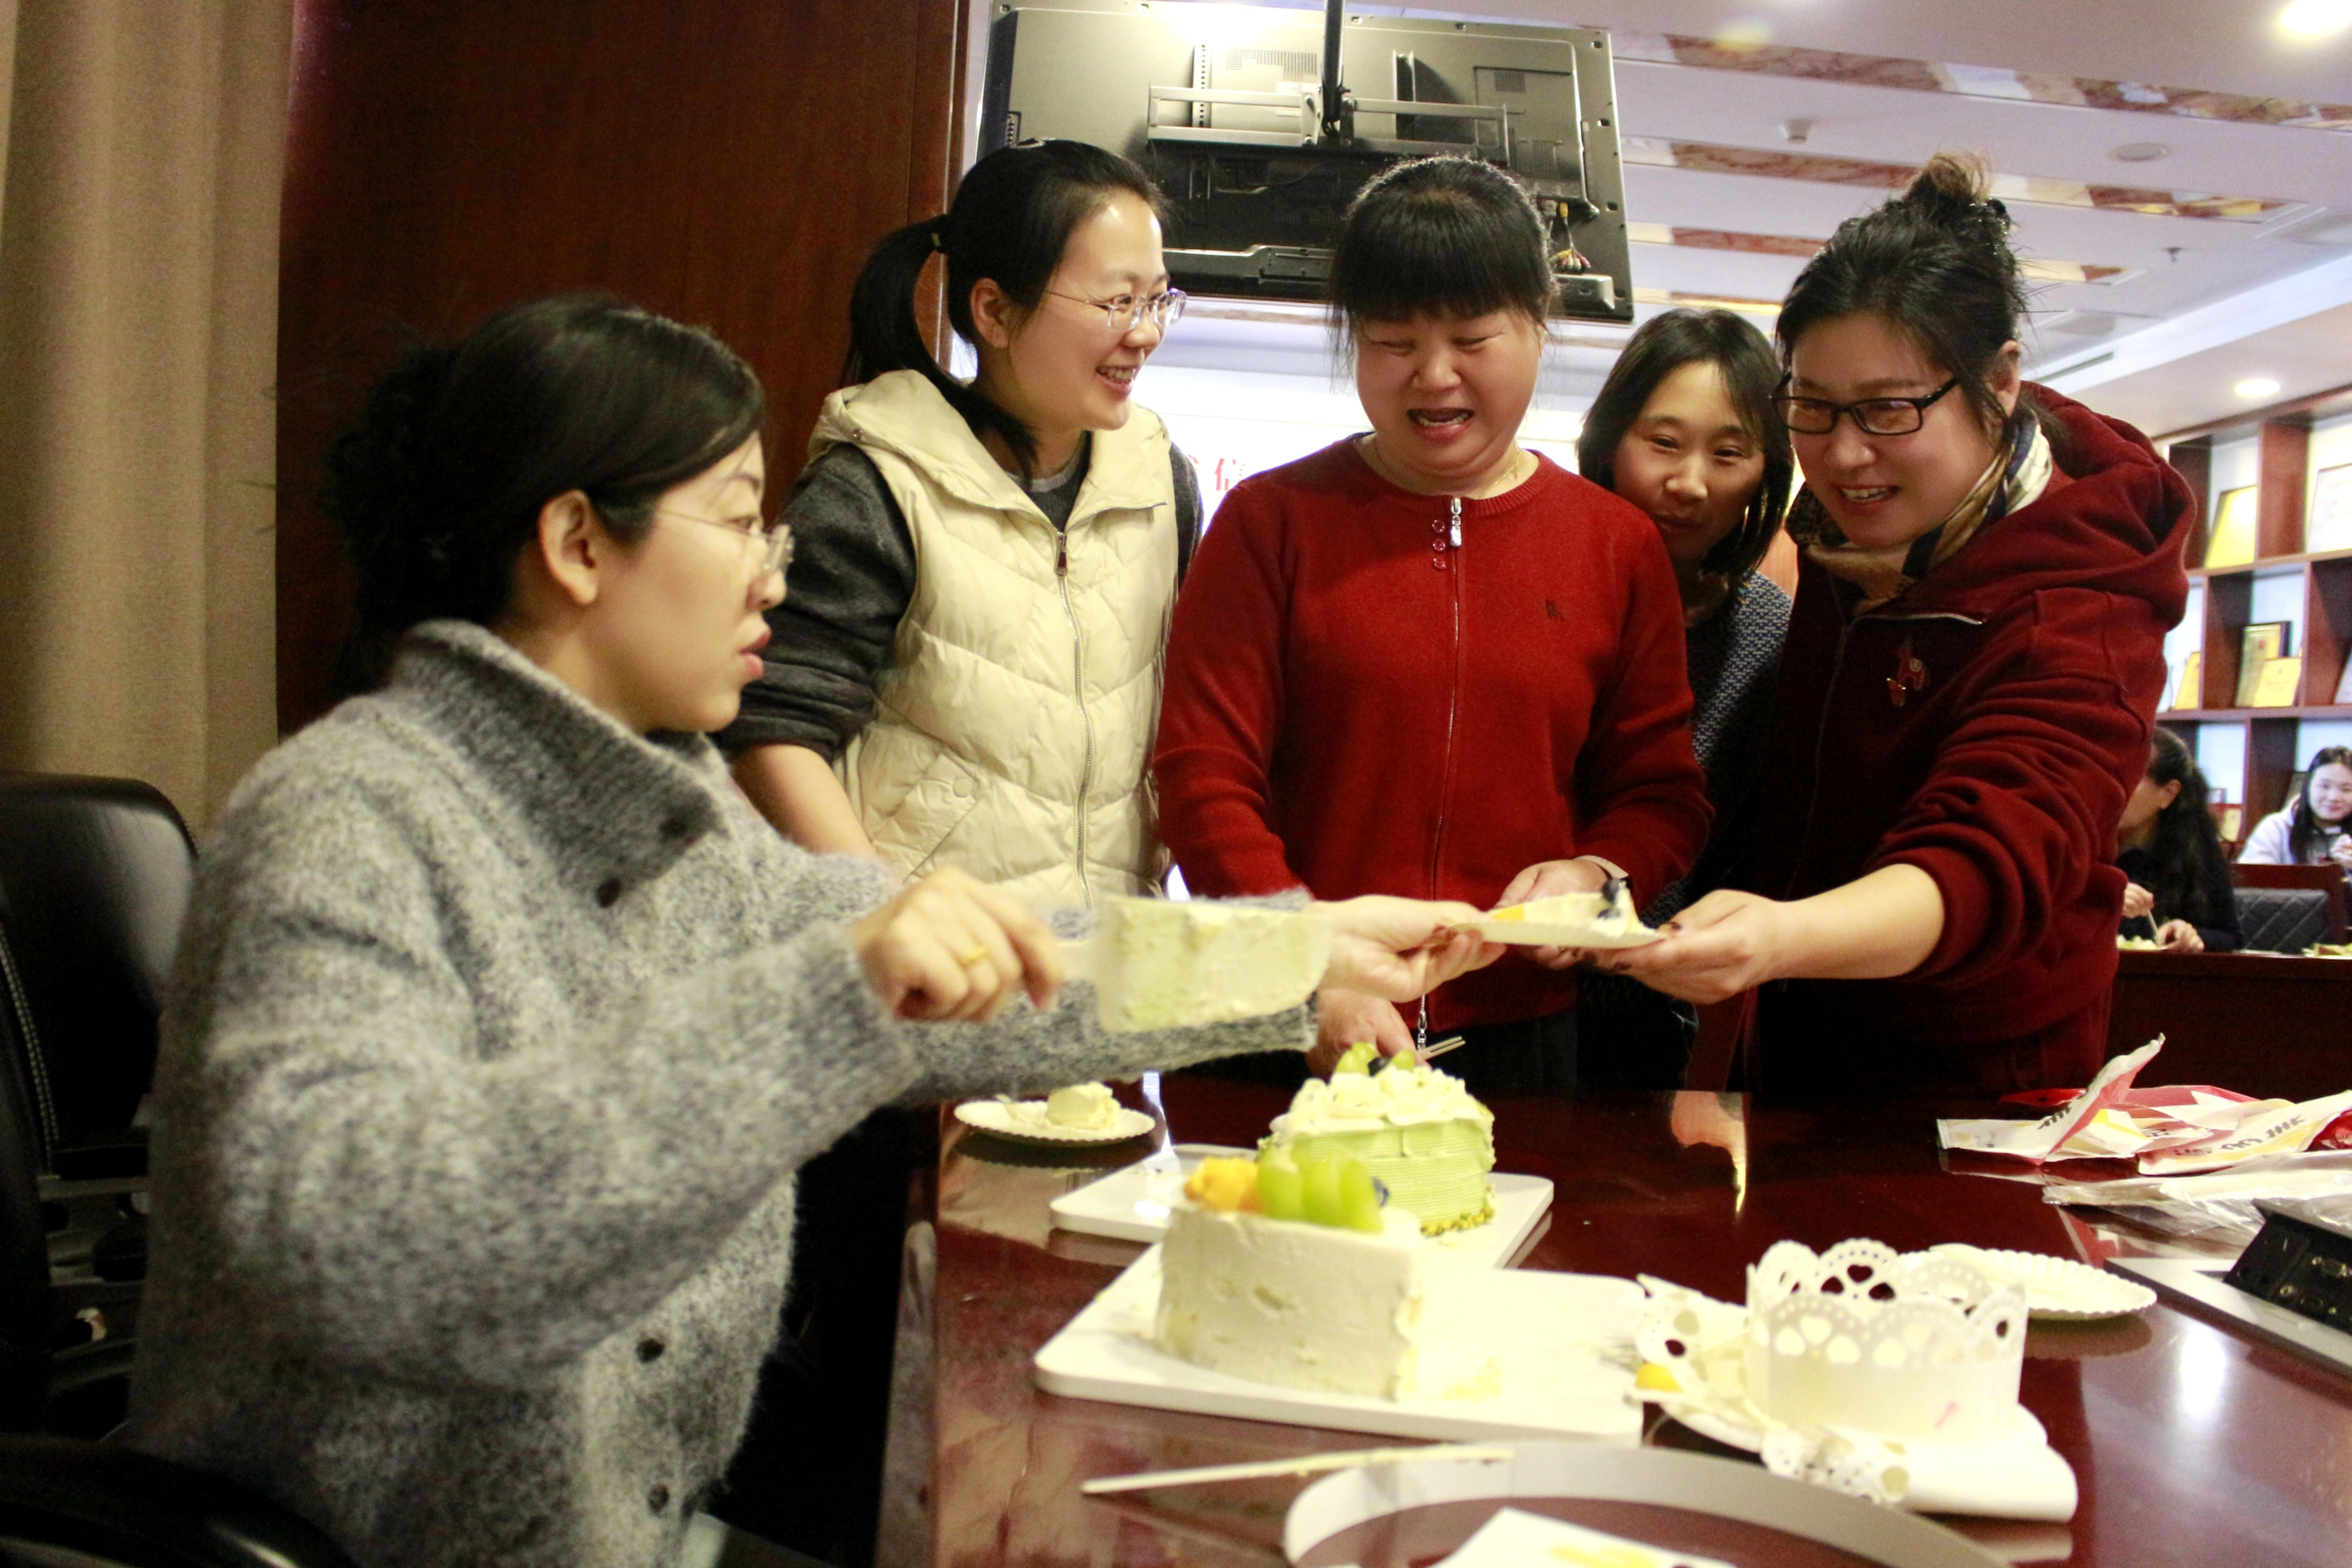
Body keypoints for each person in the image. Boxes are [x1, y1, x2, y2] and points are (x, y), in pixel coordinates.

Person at [119, 294, 1498, 1568]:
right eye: (739, 519)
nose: (773, 574)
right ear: (579, 544)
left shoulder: (677, 821)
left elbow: (971, 969)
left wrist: (1295, 952)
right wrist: (824, 998)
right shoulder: (345, 817)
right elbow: (357, 1248)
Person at [1612, 154, 2192, 1097]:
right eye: (1811, 406)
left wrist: (1783, 934)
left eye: (1887, 410)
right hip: (1799, 1035)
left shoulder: (2077, 600)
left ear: (1999, 380)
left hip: (1975, 1080)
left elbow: (1992, 855)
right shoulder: (1858, 539)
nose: (1843, 456)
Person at [1155, 156, 1712, 1094]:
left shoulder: (1615, 546)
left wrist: (1596, 869)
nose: (1434, 373)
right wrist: (1308, 963)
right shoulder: (1272, 522)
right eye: (1393, 340)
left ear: (1536, 323)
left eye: (1470, 337)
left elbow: (1659, 789)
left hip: (1518, 1035)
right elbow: (1202, 774)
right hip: (1278, 1020)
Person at [721, 140, 1200, 905]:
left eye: (1157, 300)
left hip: (1103, 957)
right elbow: (773, 723)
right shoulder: (880, 482)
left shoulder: (1159, 481)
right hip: (926, 957)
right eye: (1117, 302)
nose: (1144, 333)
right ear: (994, 312)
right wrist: (887, 917)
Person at [1569, 308, 1794, 1087]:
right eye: (1663, 443)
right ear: (1610, 440)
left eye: (1727, 453)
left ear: (1766, 470)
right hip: (1492, 985)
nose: (1689, 483)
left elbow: (1742, 852)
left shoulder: (1766, 632)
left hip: (1648, 1014)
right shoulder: (1539, 592)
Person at [2117, 727, 2241, 954]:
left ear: (2168, 793)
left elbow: (2231, 937)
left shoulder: (2194, 845)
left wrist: (2192, 936)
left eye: (2131, 778)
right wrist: (2101, 900)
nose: (2115, 788)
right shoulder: (2081, 837)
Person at [2237, 745, 2352, 872]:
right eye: (2324, 786)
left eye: (2346, 789)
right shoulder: (2276, 828)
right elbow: (2253, 880)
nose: (2334, 797)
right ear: (2307, 786)